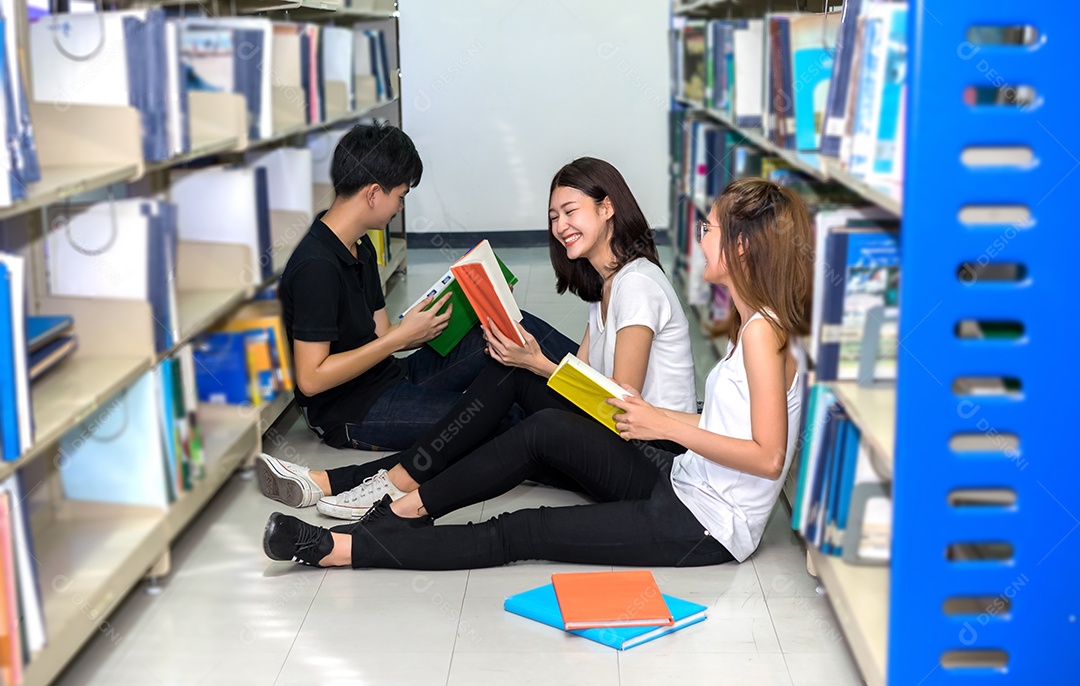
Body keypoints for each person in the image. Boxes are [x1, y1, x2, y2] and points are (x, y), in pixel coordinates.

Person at [262, 176, 811, 571]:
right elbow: (723, 425)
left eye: (709, 228)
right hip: (683, 482)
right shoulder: (749, 325)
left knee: (523, 530)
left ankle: (344, 545)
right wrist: (664, 420)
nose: (699, 236)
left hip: (704, 526)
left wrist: (662, 424)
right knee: (537, 425)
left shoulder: (761, 332)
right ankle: (394, 512)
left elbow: (767, 458)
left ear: (741, 245)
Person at [259, 157, 697, 519]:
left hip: (649, 460)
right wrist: (531, 363)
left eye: (570, 211)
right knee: (508, 384)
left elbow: (623, 407)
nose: (560, 225)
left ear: (607, 208)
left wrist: (537, 364)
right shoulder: (606, 285)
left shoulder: (636, 286)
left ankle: (387, 490)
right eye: (553, 217)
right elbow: (582, 376)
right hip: (624, 446)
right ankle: (379, 486)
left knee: (512, 389)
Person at [273, 122, 578, 469]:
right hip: (351, 411)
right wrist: (399, 338)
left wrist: (441, 314)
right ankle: (596, 455)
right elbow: (311, 380)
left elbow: (382, 334)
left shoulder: (360, 247)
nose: (399, 208)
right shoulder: (317, 266)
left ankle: (596, 386)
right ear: (374, 193)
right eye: (400, 196)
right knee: (498, 417)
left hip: (389, 376)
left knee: (509, 327)